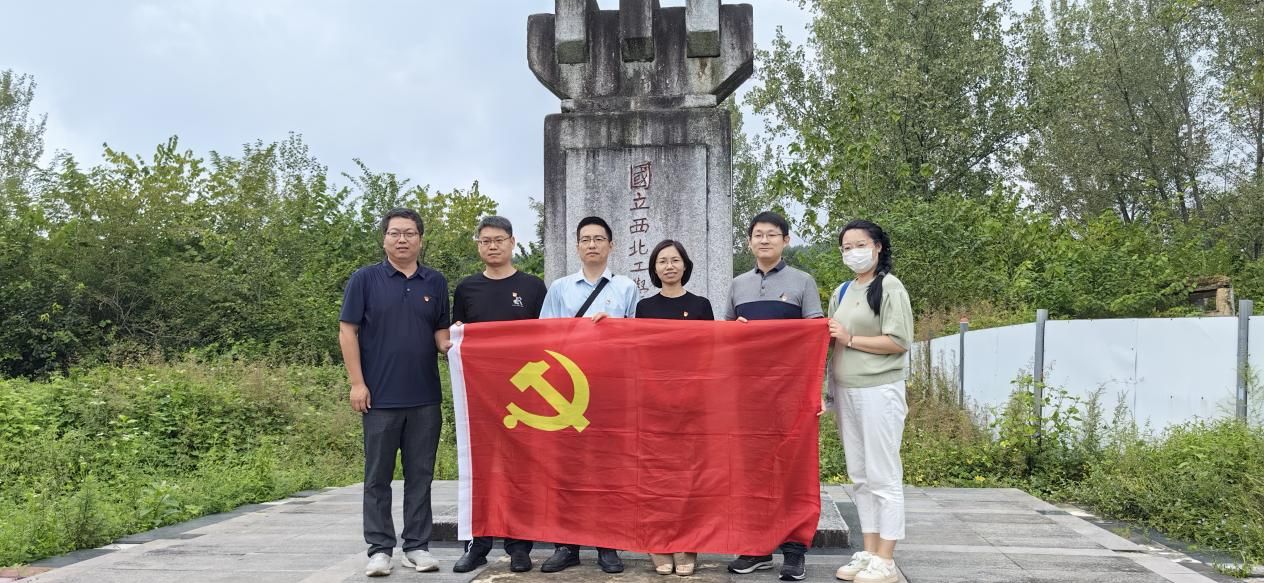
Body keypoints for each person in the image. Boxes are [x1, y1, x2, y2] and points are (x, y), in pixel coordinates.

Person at [339, 208, 451, 577]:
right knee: (377, 477)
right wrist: (357, 383)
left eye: (409, 233)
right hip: (379, 398)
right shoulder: (365, 279)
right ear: (384, 238)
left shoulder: (435, 282)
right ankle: (379, 550)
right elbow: (348, 331)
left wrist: (460, 346)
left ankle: (417, 546)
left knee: (421, 476)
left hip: (424, 398)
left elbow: (441, 335)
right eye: (394, 233)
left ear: (420, 238)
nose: (402, 239)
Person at [725, 210, 823, 582]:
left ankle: (794, 551)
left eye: (771, 234)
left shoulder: (802, 281)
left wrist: (815, 390)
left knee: (792, 469)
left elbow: (815, 337)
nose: (764, 240)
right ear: (749, 241)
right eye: (758, 235)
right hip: (748, 393)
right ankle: (756, 548)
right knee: (752, 470)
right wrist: (734, 331)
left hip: (790, 393)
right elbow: (724, 337)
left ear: (786, 240)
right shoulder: (738, 284)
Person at [538, 215, 637, 574]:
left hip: (611, 390)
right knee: (568, 468)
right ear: (577, 246)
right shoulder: (560, 288)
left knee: (608, 468)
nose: (592, 244)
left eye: (599, 239)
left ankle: (607, 544)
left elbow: (639, 340)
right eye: (585, 239)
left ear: (611, 245)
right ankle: (567, 545)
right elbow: (545, 337)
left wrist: (614, 330)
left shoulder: (626, 288)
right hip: (567, 391)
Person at [450, 216, 548, 574]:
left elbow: (549, 338)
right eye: (485, 241)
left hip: (524, 397)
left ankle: (519, 546)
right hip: (480, 396)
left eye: (499, 240)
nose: (492, 246)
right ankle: (477, 545)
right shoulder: (467, 288)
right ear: (479, 245)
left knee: (521, 470)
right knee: (480, 469)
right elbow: (456, 337)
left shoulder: (533, 287)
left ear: (512, 242)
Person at [826, 220, 913, 583]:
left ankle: (887, 559)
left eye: (859, 245)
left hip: (880, 390)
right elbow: (831, 340)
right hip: (847, 391)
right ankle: (870, 551)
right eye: (846, 247)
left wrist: (851, 339)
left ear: (877, 246)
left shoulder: (890, 287)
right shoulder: (842, 291)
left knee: (883, 474)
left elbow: (899, 341)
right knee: (860, 476)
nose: (853, 253)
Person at [634, 239, 712, 576]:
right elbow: (638, 354)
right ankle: (658, 543)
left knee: (690, 476)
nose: (669, 266)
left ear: (685, 265)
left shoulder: (701, 305)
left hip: (692, 403)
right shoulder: (644, 307)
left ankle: (687, 543)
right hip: (654, 404)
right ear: (654, 268)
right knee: (656, 476)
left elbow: (711, 352)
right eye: (662, 261)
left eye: (675, 260)